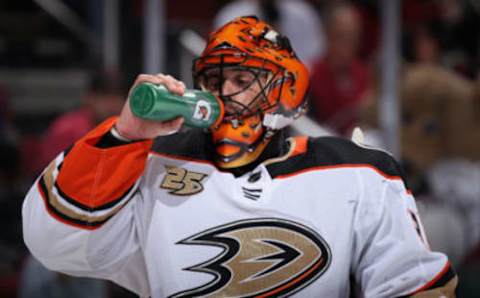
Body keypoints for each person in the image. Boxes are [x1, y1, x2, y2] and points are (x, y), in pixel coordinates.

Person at [23, 16, 456, 297]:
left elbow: (412, 284)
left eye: (242, 77)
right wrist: (125, 135)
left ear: (287, 88)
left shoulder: (361, 171)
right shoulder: (152, 163)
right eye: (213, 78)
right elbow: (54, 243)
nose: (224, 91)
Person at [309, 3, 372, 136]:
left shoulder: (365, 75)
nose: (348, 45)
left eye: (354, 37)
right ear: (328, 36)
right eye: (341, 36)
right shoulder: (312, 75)